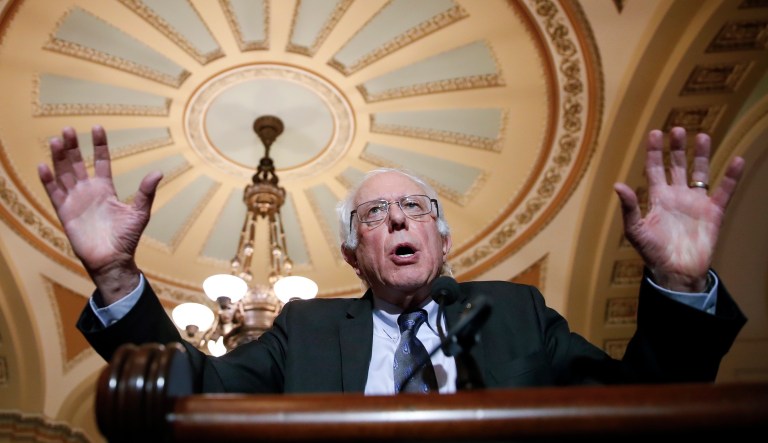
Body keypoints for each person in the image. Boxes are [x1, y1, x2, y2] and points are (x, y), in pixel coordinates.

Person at [38, 124, 747, 395]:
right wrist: (114, 276)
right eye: (375, 214)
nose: (400, 218)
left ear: (442, 241)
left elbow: (644, 406)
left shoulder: (517, 313)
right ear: (355, 252)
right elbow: (191, 394)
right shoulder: (305, 329)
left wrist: (681, 283)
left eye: (417, 209)